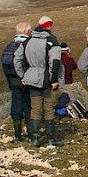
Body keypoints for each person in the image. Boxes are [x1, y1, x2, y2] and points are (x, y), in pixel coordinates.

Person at [14, 15, 65, 147]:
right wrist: (54, 79)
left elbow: (17, 59)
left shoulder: (28, 41)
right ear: (49, 26)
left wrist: (23, 76)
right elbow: (55, 61)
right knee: (48, 108)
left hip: (32, 78)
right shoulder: (51, 42)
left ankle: (35, 138)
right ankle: (51, 139)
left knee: (35, 108)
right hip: (46, 79)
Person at [0, 22, 32, 142]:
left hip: (13, 81)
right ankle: (31, 133)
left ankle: (17, 134)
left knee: (16, 106)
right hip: (26, 80)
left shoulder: (9, 46)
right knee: (28, 106)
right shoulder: (27, 45)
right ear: (27, 32)